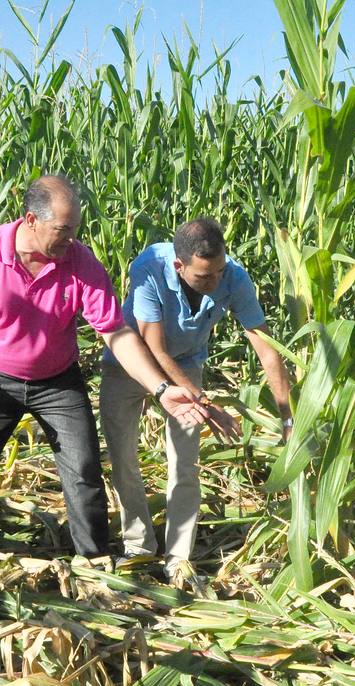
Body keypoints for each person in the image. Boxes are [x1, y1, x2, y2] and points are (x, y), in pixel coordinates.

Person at [0, 176, 215, 569]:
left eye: (75, 230)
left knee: (84, 469)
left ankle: (92, 558)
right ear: (31, 220)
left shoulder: (81, 262)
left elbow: (115, 333)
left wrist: (159, 388)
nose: (71, 239)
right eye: (63, 230)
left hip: (57, 382)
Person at [99, 218, 292, 581]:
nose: (215, 282)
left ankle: (178, 558)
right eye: (204, 277)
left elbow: (267, 348)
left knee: (184, 463)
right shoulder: (150, 268)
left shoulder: (232, 276)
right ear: (179, 266)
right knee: (122, 457)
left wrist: (288, 417)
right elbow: (153, 347)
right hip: (131, 362)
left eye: (219, 271)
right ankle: (139, 546)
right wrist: (207, 405)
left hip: (187, 364)